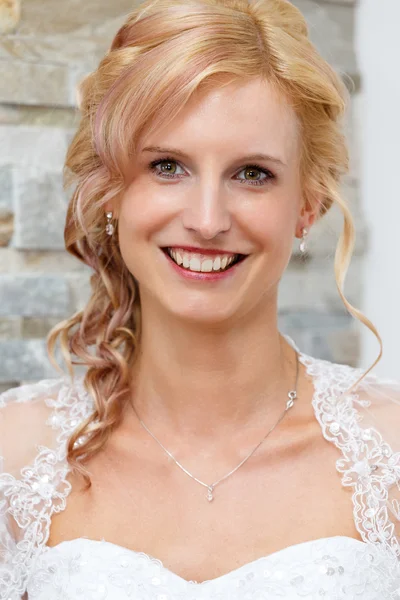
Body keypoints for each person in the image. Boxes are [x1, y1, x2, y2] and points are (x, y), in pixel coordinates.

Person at [1, 0, 399, 598]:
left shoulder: (390, 453)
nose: (208, 220)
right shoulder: (15, 455)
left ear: (307, 206)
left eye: (252, 174)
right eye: (167, 165)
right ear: (110, 193)